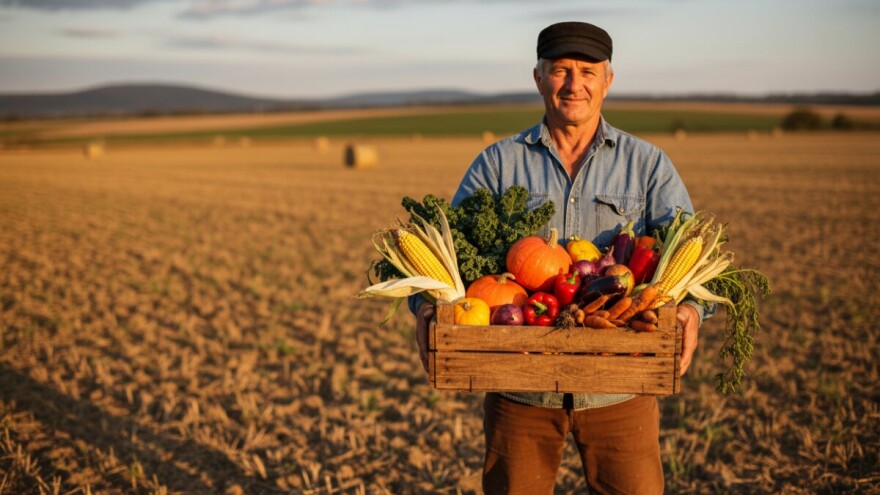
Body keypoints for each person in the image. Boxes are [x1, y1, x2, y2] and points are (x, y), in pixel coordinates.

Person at [412, 21, 713, 494]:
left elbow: (691, 257)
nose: (575, 85)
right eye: (560, 70)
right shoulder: (498, 163)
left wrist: (694, 309)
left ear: (608, 80)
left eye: (588, 71)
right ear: (538, 78)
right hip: (520, 388)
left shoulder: (648, 165)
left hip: (621, 386)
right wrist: (427, 306)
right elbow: (443, 255)